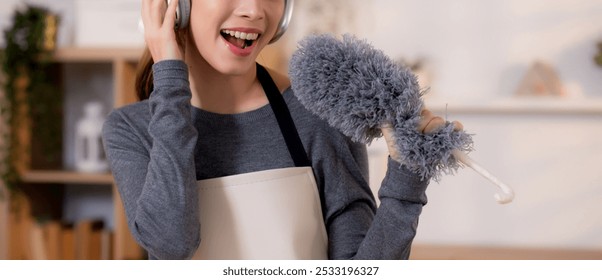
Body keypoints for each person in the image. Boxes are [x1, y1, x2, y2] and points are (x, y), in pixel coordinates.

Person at [102, 0, 463, 260]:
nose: (255, 10)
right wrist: (169, 75)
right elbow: (172, 245)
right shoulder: (132, 129)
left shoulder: (318, 116)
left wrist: (407, 177)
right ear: (175, 5)